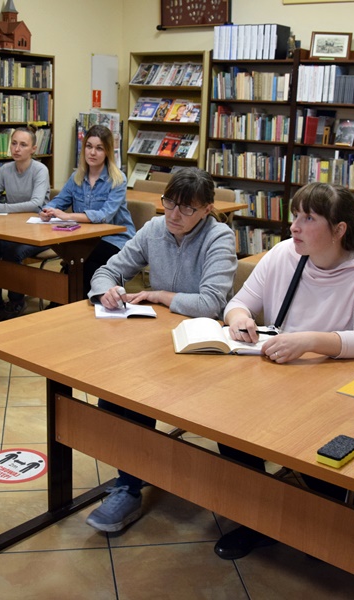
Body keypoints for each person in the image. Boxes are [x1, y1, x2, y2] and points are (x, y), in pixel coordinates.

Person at [214, 181, 354, 560]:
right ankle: (255, 518)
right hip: (279, 375)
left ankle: (317, 527)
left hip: (330, 390)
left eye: (308, 218)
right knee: (228, 423)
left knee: (318, 459)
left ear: (339, 230)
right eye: (295, 215)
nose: (294, 226)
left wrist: (309, 340)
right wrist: (240, 317)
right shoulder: (284, 254)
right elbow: (239, 302)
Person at [83, 167, 237, 533]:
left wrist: (157, 295)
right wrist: (106, 289)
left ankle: (135, 480)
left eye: (186, 209)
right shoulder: (154, 229)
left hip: (203, 348)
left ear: (207, 209)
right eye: (169, 204)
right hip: (157, 341)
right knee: (116, 392)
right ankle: (129, 483)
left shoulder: (220, 237)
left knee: (140, 395)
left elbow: (211, 303)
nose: (173, 215)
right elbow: (107, 270)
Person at [39, 124, 134, 291]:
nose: (92, 152)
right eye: (89, 146)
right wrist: (47, 210)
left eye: (99, 148)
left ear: (107, 152)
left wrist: (68, 216)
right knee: (78, 257)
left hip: (115, 239)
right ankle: (67, 303)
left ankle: (73, 304)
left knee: (81, 259)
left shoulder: (118, 179)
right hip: (85, 238)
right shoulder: (77, 177)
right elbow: (59, 201)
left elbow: (105, 215)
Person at [0, 125, 50, 322]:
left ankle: (16, 301)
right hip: (14, 228)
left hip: (39, 231)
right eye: (14, 143)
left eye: (23, 145)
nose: (17, 149)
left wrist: (0, 208)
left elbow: (36, 204)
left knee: (12, 253)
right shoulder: (6, 169)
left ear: (33, 149)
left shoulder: (40, 170)